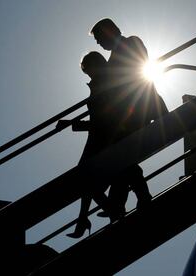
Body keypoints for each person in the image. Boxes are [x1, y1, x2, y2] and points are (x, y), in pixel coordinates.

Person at [90, 18, 168, 218]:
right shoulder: (116, 56)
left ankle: (128, 200)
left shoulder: (131, 43)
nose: (99, 43)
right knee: (122, 157)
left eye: (99, 38)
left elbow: (137, 75)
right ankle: (122, 201)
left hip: (140, 108)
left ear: (110, 32)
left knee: (121, 155)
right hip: (131, 112)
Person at [57, 51, 114, 238]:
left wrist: (72, 123)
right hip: (97, 139)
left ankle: (102, 214)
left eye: (88, 70)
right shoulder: (101, 84)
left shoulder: (105, 85)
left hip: (103, 139)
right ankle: (83, 218)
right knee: (85, 181)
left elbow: (106, 120)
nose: (88, 75)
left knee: (88, 183)